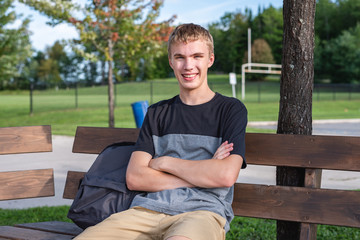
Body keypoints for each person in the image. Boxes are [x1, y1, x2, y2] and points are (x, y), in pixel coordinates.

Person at [75, 23, 247, 240]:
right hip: (144, 211)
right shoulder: (157, 112)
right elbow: (135, 178)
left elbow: (225, 175)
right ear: (171, 62)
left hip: (201, 213)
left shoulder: (230, 109)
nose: (188, 65)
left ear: (210, 59)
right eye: (180, 57)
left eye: (196, 56)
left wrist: (165, 163)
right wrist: (203, 174)